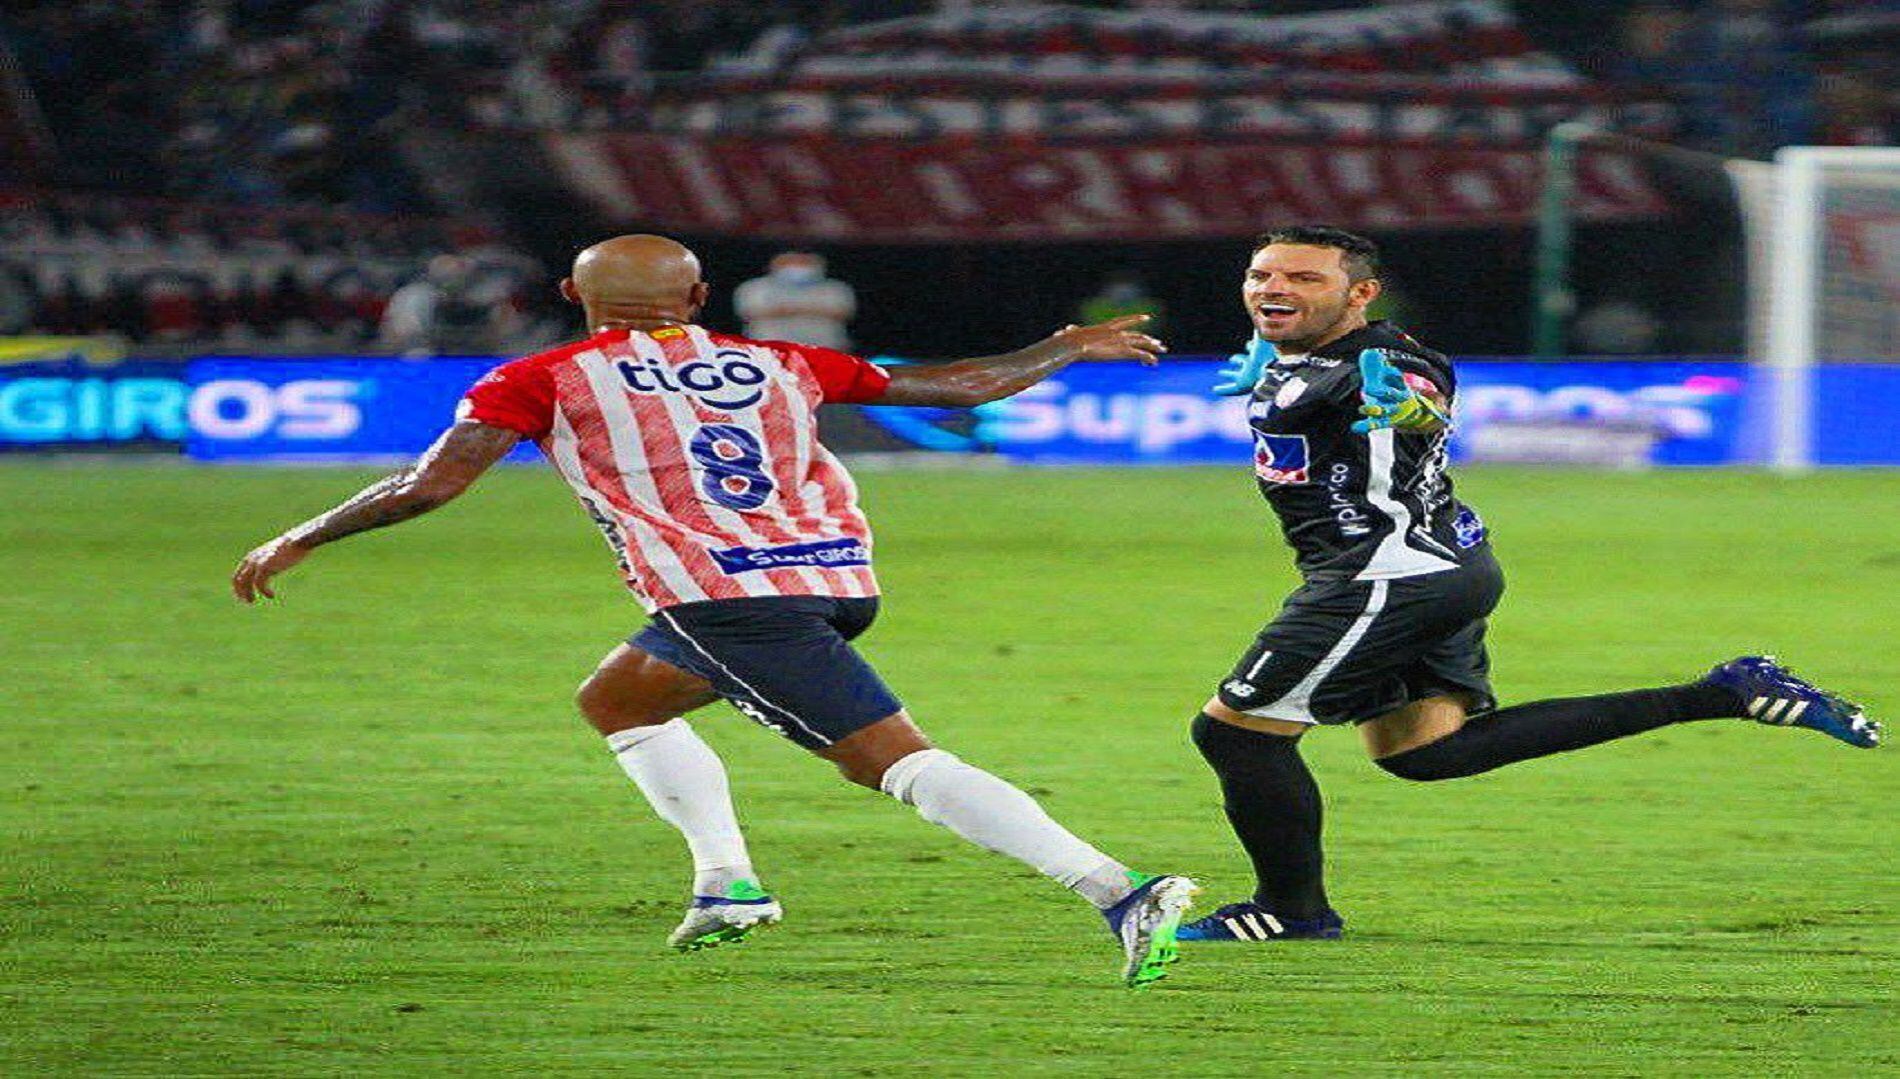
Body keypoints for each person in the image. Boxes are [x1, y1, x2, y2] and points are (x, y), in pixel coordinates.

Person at [231, 234, 1196, 987]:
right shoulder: (779, 360)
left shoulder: (540, 377)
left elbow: (433, 484)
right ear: (698, 300)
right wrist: (1063, 348)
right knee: (619, 700)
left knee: (893, 761)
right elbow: (951, 388)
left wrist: (303, 535)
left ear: (573, 300)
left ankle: (1119, 891)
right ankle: (728, 886)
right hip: (834, 578)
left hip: (725, 598)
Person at [1176, 225, 1881, 944]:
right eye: (1263, 274)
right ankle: (1727, 691)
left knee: (1237, 735)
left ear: (1360, 293)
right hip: (1439, 565)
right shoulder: (1299, 352)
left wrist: (1411, 408)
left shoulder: (1384, 360)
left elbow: (1422, 397)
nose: (1275, 288)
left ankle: (1291, 911)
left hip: (1386, 574)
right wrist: (1275, 361)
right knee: (1423, 752)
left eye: (1303, 277)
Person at [732, 252, 855, 350]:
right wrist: (811, 310)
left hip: (824, 347)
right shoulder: (755, 287)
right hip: (771, 348)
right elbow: (749, 313)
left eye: (803, 263)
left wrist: (788, 310)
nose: (798, 268)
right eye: (791, 263)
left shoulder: (835, 288)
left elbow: (843, 312)